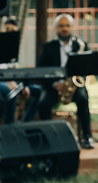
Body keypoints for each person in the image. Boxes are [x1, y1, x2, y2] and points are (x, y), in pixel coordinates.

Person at [38, 13, 94, 149]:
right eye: (61, 26)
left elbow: (86, 68)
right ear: (56, 28)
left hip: (74, 86)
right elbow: (40, 71)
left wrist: (75, 83)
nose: (64, 28)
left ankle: (87, 137)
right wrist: (55, 84)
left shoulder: (81, 45)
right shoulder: (48, 47)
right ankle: (47, 138)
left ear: (72, 27)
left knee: (83, 99)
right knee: (43, 103)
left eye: (67, 25)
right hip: (54, 87)